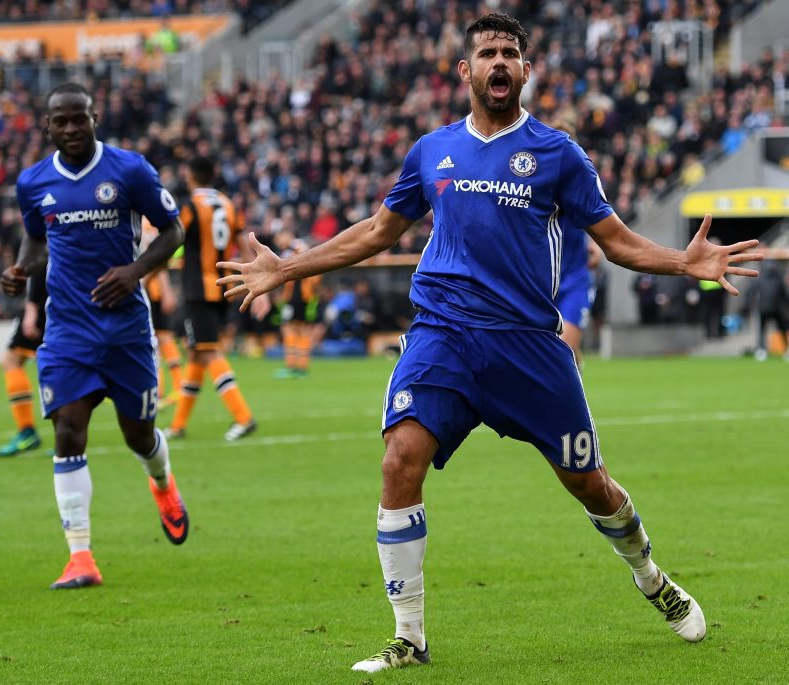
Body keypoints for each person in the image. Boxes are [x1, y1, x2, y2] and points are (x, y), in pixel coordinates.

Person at [216, 14, 761, 672]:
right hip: (442, 334)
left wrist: (683, 261)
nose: (499, 62)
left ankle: (651, 575)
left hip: (527, 348)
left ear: (526, 71)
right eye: (487, 53)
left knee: (590, 483)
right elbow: (378, 230)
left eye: (510, 52)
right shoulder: (432, 150)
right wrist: (288, 266)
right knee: (399, 461)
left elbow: (615, 240)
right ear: (465, 70)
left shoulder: (559, 154)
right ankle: (409, 636)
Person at [0, 82, 189, 590]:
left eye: (78, 119)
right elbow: (37, 238)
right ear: (47, 126)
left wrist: (134, 272)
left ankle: (163, 484)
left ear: (95, 117)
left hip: (125, 327)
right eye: (59, 122)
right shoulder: (33, 182)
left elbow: (173, 231)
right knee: (67, 430)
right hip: (68, 329)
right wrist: (20, 270)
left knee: (139, 436)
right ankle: (80, 556)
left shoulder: (129, 170)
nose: (70, 129)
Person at [164, 156, 269, 442]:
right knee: (198, 353)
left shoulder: (188, 206)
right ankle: (177, 425)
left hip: (198, 289)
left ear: (191, 176)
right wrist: (256, 282)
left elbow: (172, 240)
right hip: (224, 287)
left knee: (209, 351)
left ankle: (243, 417)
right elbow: (244, 246)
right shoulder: (229, 204)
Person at [0, 261, 47, 457]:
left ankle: (27, 432)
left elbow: (41, 259)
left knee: (11, 360)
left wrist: (31, 308)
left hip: (44, 303)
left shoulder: (44, 232)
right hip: (59, 298)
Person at [141, 219, 183, 408]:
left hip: (150, 287)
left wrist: (166, 292)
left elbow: (159, 261)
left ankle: (167, 387)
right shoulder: (147, 221)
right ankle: (169, 387)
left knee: (160, 337)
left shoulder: (146, 223)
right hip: (148, 286)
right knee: (160, 337)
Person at [274, 238, 323, 379]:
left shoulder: (303, 264)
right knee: (298, 332)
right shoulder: (308, 265)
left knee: (294, 331)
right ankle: (298, 366)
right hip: (301, 302)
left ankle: (295, 366)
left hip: (299, 302)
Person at [557, 219, 602, 367]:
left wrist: (597, 242)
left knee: (562, 349)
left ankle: (573, 376)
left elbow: (597, 214)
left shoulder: (574, 195)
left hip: (575, 283)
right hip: (539, 284)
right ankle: (576, 369)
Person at [751, 259, 789, 361]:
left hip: (763, 309)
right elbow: (784, 297)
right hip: (776, 310)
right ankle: (786, 350)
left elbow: (751, 293)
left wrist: (748, 307)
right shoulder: (779, 280)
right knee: (782, 329)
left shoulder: (760, 280)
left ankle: (761, 350)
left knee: (762, 330)